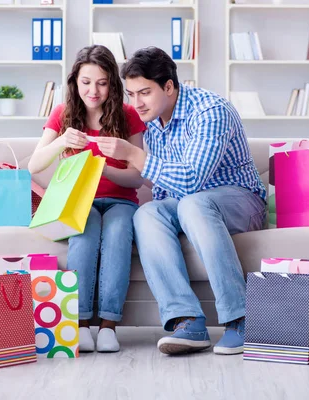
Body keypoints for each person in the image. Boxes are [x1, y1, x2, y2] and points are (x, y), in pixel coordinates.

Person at [95, 47, 267, 356]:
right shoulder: (151, 122)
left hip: (241, 201)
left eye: (144, 92)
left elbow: (191, 181)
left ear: (169, 86)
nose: (136, 103)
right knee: (147, 213)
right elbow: (165, 189)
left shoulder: (211, 111)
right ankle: (187, 321)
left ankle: (241, 319)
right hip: (189, 204)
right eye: (131, 94)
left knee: (193, 203)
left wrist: (133, 154)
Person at [28, 45, 147, 353]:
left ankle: (109, 325)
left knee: (119, 233)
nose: (93, 90)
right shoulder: (63, 113)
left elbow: (137, 177)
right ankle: (79, 323)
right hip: (79, 202)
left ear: (112, 84)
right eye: (86, 82)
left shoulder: (128, 115)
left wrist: (104, 166)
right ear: (75, 82)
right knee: (85, 233)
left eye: (102, 82)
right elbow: (34, 165)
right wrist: (62, 142)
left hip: (121, 201)